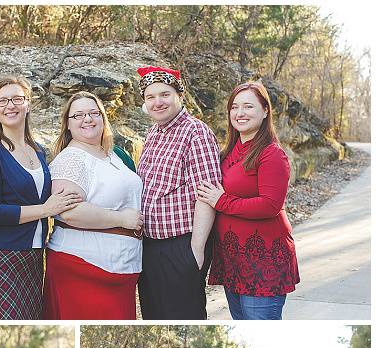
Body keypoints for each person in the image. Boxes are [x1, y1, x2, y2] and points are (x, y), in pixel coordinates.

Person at [0, 76, 83, 320]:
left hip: (33, 258)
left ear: (28, 104)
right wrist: (44, 209)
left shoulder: (38, 151)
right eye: (2, 101)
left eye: (17, 99)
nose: (10, 105)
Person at [197, 82, 299, 320]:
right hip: (233, 258)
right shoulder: (229, 151)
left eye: (248, 106)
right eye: (234, 107)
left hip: (262, 261)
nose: (240, 113)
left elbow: (270, 205)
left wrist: (221, 201)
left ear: (265, 111)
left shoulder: (271, 154)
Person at [43, 92, 143, 319]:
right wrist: (121, 220)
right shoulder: (71, 159)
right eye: (78, 115)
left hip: (121, 269)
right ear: (68, 125)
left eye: (93, 113)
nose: (87, 119)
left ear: (103, 118)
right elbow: (69, 211)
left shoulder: (112, 156)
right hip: (83, 267)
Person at [135, 66, 221, 319]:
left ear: (179, 96)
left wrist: (195, 250)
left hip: (180, 246)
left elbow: (207, 194)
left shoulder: (196, 132)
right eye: (150, 97)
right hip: (150, 246)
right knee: (154, 316)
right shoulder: (153, 133)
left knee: (184, 317)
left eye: (165, 94)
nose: (158, 102)